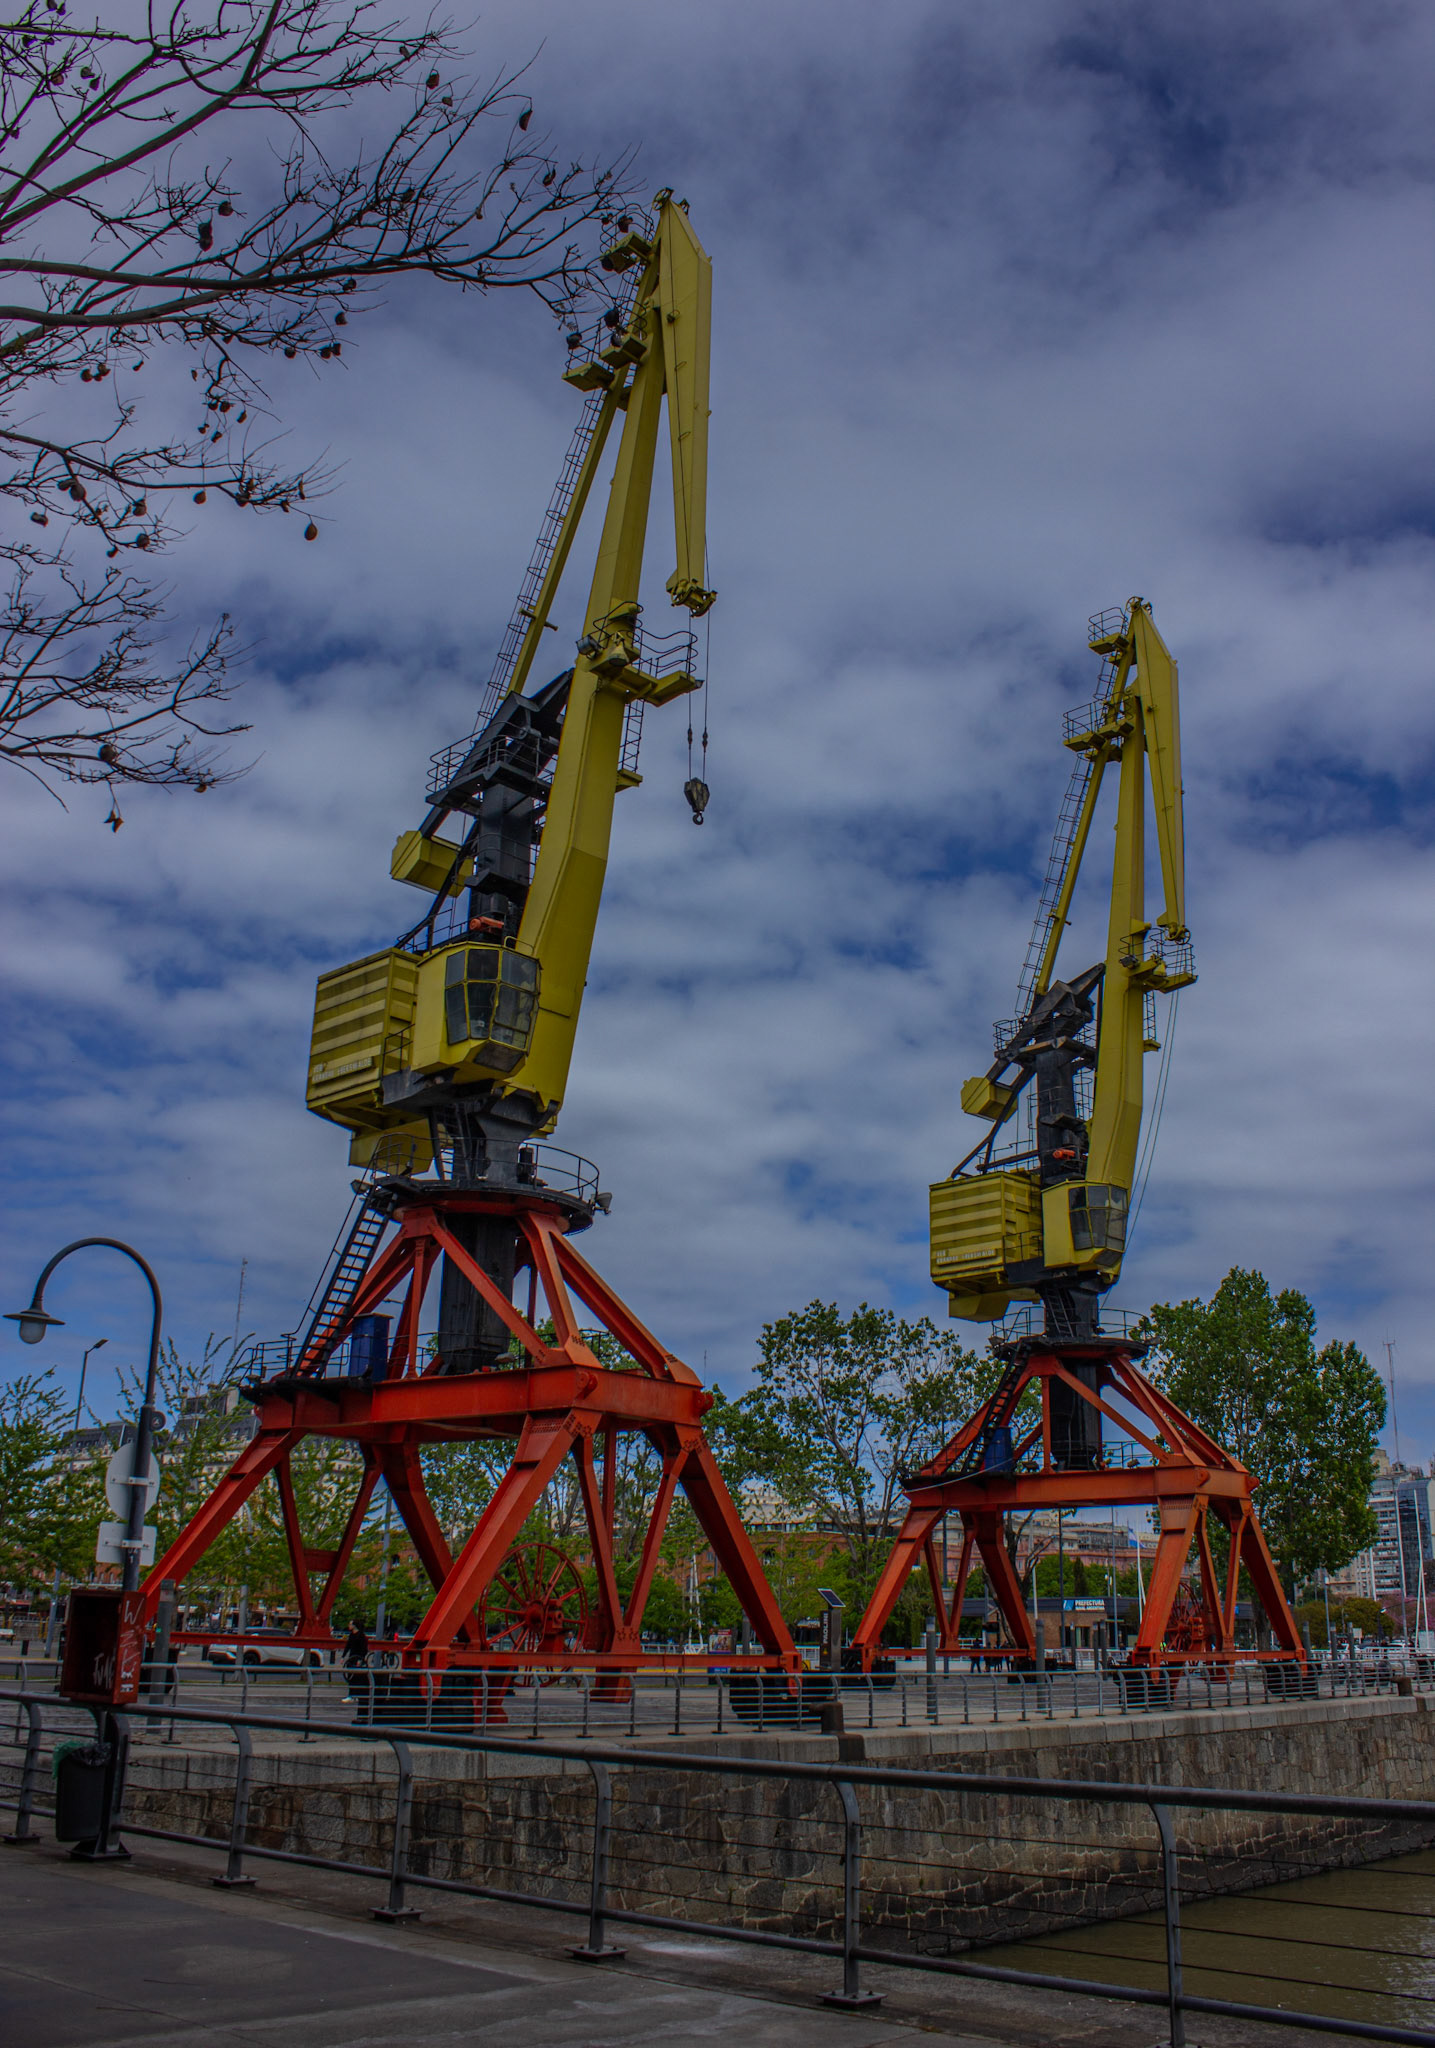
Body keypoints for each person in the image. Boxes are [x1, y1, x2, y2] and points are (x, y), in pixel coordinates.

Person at [342, 1617, 369, 1700]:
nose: (349, 1626)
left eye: (350, 1624)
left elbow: (364, 1649)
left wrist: (360, 1659)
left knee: (356, 1677)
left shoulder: (361, 1635)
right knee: (350, 1676)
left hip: (357, 1658)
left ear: (354, 1625)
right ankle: (352, 1694)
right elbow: (348, 1646)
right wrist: (343, 1656)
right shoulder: (351, 1635)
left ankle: (354, 1695)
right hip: (351, 1658)